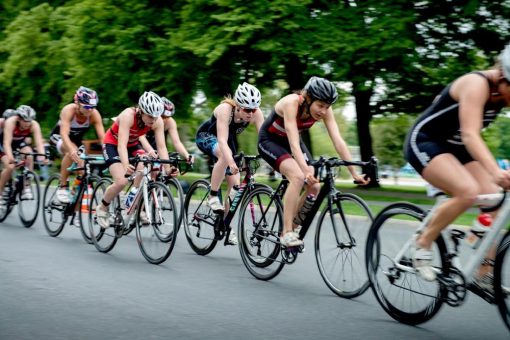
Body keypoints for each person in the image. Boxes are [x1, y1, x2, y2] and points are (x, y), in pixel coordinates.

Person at [404, 44, 510, 287]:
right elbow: (472, 135)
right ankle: (422, 243)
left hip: (456, 147)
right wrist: (495, 171)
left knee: (495, 198)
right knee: (468, 191)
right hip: (426, 141)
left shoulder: (503, 93)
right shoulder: (477, 84)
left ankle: (484, 272)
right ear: (504, 77)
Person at [258, 76, 369, 247]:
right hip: (270, 141)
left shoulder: (324, 110)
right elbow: (294, 143)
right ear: (307, 98)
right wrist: (305, 170)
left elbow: (338, 141)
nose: (323, 111)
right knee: (297, 176)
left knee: (314, 187)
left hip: (290, 142)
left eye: (327, 107)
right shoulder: (291, 103)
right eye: (320, 105)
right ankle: (285, 233)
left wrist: (354, 172)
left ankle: (293, 229)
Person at [195, 82, 265, 245]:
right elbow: (221, 140)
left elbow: (264, 140)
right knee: (224, 155)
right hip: (207, 136)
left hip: (228, 141)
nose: (251, 113)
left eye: (254, 109)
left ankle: (225, 225)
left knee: (235, 187)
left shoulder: (256, 113)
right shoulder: (225, 109)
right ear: (238, 106)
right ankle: (212, 196)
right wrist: (231, 161)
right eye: (247, 109)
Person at [95, 91, 174, 229]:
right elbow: (121, 145)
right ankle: (102, 207)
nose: (153, 120)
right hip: (112, 143)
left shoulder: (157, 121)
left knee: (146, 164)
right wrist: (126, 165)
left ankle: (132, 198)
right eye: (150, 116)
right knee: (121, 181)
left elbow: (161, 147)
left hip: (132, 145)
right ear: (141, 111)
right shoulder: (127, 116)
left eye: (156, 116)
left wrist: (168, 169)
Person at [49, 86, 105, 204]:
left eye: (93, 107)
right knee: (72, 151)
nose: (90, 110)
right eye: (87, 107)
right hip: (59, 137)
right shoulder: (68, 110)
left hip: (76, 140)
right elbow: (64, 134)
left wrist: (107, 153)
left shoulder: (94, 114)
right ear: (77, 103)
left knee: (84, 173)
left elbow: (103, 138)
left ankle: (74, 205)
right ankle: (63, 186)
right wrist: (71, 149)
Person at [0, 105, 48, 211]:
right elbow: (6, 143)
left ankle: (26, 187)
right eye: (25, 121)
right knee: (10, 167)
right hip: (4, 143)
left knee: (29, 155)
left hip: (18, 142)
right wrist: (10, 158)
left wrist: (42, 156)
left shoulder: (34, 124)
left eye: (30, 121)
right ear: (19, 118)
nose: (27, 123)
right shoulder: (11, 122)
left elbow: (39, 142)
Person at [141, 97, 194, 167]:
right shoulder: (150, 120)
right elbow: (141, 137)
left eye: (167, 117)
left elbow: (177, 142)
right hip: (143, 144)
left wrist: (186, 155)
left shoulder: (171, 122)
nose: (163, 120)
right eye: (162, 116)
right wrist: (149, 150)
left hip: (159, 146)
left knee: (163, 169)